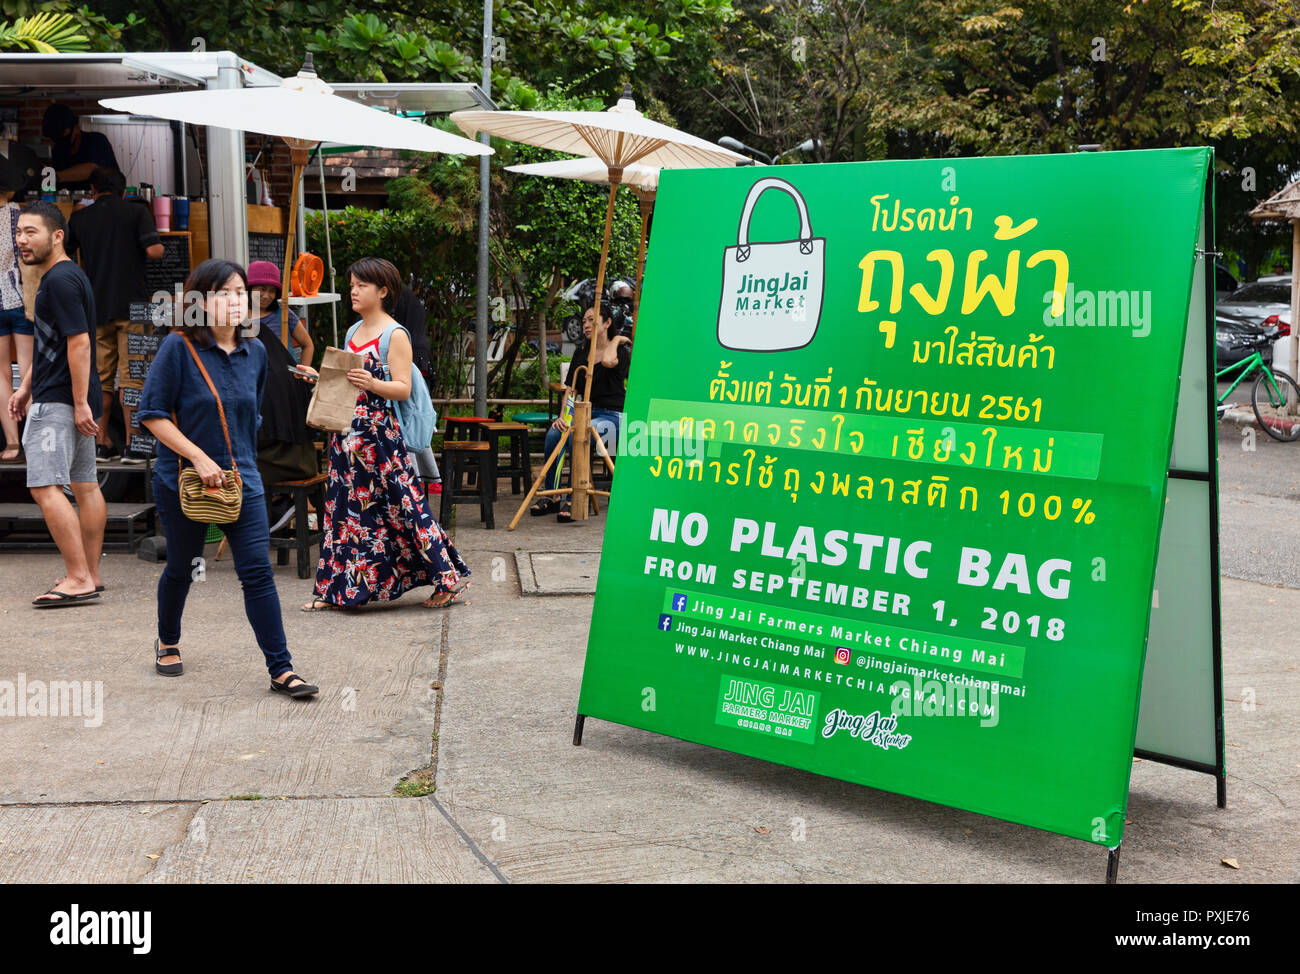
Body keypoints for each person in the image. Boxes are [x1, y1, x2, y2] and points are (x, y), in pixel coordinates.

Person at [136, 258, 318, 697]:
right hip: (185, 479)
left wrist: (237, 463)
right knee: (182, 568)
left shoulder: (256, 350)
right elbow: (152, 415)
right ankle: (168, 641)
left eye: (240, 293)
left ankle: (282, 669)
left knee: (257, 573)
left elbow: (251, 414)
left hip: (243, 480)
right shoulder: (177, 348)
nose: (236, 301)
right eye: (224, 293)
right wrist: (199, 457)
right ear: (199, 301)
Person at [297, 257, 469, 612]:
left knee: (405, 506)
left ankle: (447, 579)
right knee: (347, 514)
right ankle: (343, 592)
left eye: (361, 285)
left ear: (383, 291)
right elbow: (347, 385)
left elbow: (403, 388)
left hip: (381, 438)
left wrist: (373, 382)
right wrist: (317, 377)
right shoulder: (351, 332)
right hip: (346, 436)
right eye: (352, 285)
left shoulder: (396, 334)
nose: (353, 291)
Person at [9, 201, 106, 606]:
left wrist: (78, 402)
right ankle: (91, 574)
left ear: (57, 236)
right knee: (84, 485)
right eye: (19, 232)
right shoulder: (67, 276)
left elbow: (79, 341)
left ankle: (79, 576)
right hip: (66, 397)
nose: (21, 239)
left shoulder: (60, 281)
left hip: (62, 403)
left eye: (31, 232)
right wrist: (26, 387)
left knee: (45, 486)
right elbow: (54, 342)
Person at [65, 166, 164, 462]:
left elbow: (67, 255)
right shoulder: (136, 212)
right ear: (124, 190)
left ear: (93, 190)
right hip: (136, 306)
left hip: (96, 307)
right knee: (134, 376)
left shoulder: (80, 218)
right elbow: (156, 251)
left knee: (101, 378)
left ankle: (101, 441)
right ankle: (135, 445)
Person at [530, 301, 630, 523]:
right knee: (555, 434)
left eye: (592, 320)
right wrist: (563, 418)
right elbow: (571, 390)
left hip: (613, 417)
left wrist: (614, 339)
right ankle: (553, 494)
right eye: (584, 320)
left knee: (578, 435)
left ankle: (573, 496)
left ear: (607, 323)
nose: (585, 325)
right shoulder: (581, 352)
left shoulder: (620, 351)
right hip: (585, 414)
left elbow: (607, 361)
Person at [246, 260, 317, 530]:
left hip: (287, 391)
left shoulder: (284, 316)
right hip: (256, 390)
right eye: (258, 289)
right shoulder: (238, 317)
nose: (264, 295)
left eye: (270, 290)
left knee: (288, 437)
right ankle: (272, 503)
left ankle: (285, 499)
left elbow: (307, 343)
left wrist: (302, 372)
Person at [391, 282, 440, 495]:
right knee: (415, 423)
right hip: (420, 359)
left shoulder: (396, 331)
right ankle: (425, 476)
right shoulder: (408, 297)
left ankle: (418, 478)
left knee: (410, 422)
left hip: (413, 363)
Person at [1, 161, 34, 463]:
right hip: (21, 298)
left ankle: (12, 444)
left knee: (0, 375)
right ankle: (33, 439)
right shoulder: (22, 217)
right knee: (27, 373)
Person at [41, 105, 120, 192]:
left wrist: (55, 176)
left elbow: (93, 169)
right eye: (54, 137)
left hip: (105, 200)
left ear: (76, 128)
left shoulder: (96, 140)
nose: (59, 140)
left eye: (63, 134)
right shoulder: (59, 151)